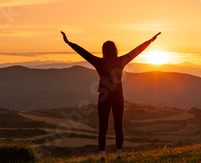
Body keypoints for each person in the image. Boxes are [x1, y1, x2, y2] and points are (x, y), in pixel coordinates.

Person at [61, 31, 161, 161]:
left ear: (103, 51)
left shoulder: (99, 62)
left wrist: (69, 43)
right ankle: (119, 155)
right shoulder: (121, 61)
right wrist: (150, 41)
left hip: (103, 98)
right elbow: (135, 51)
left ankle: (102, 156)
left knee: (103, 127)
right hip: (118, 97)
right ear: (115, 50)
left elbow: (84, 53)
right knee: (118, 126)